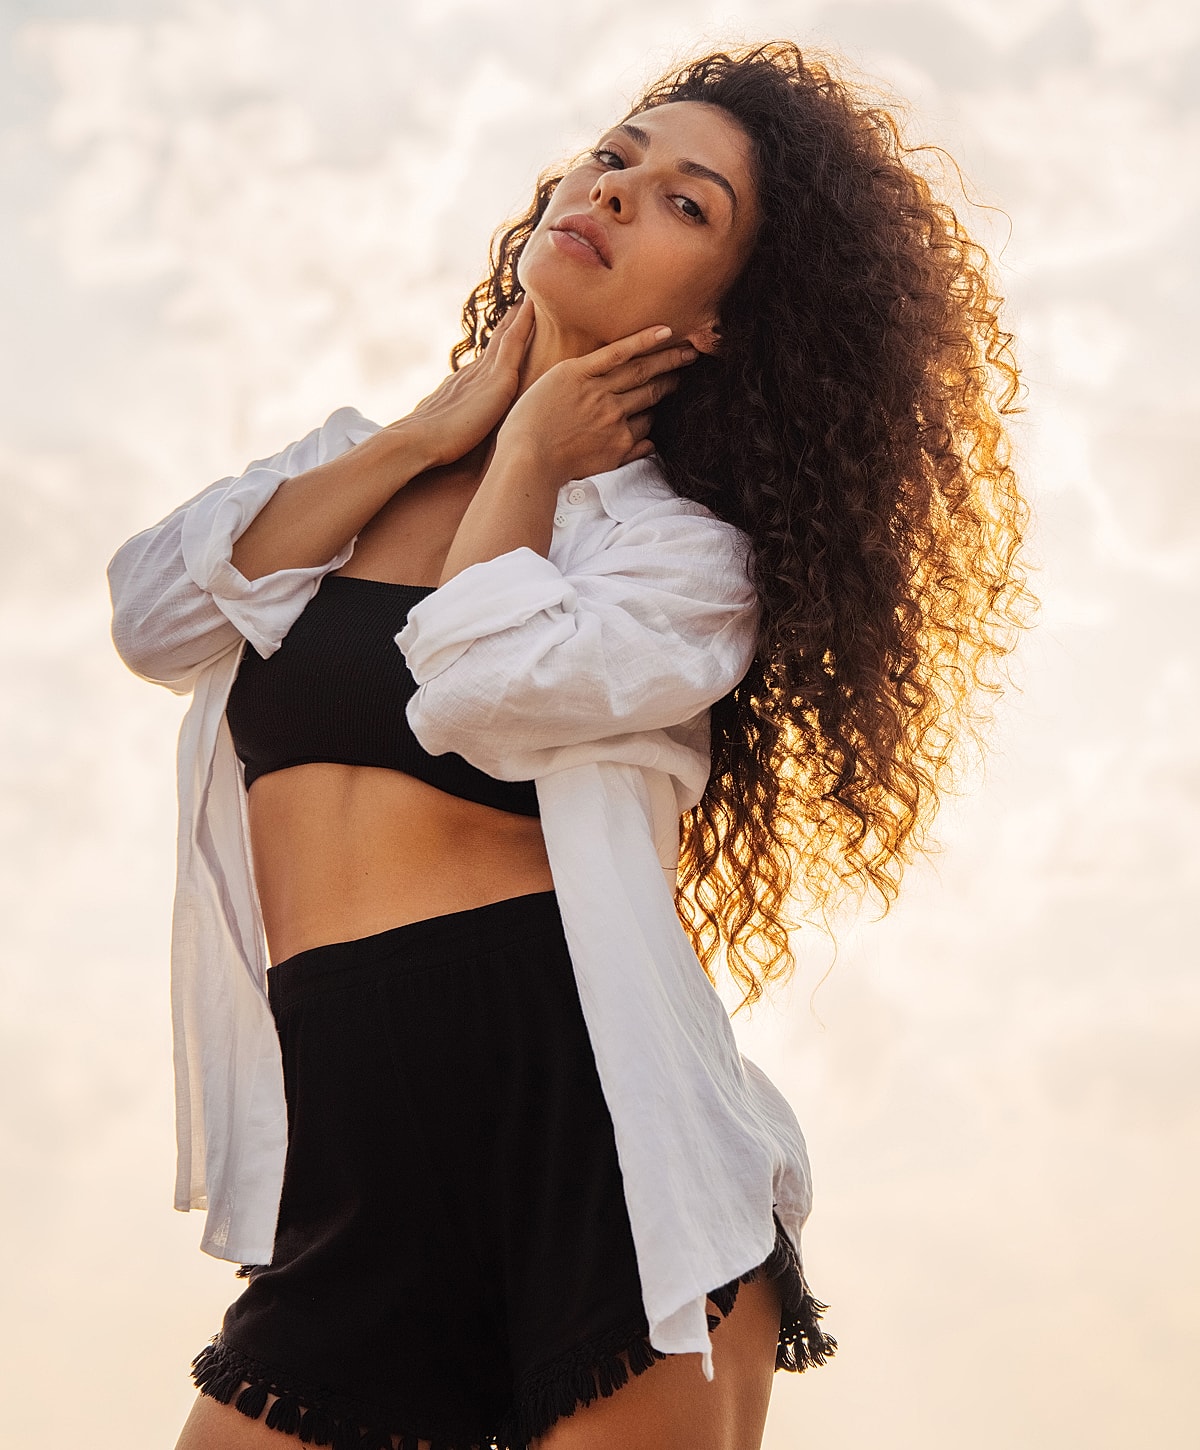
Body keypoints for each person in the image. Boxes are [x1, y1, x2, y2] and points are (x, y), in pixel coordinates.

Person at [107, 40, 1032, 1450]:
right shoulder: (348, 464)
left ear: (722, 318)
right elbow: (155, 613)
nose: (615, 191)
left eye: (686, 203)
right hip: (357, 1172)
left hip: (597, 1156)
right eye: (616, 156)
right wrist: (434, 432)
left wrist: (534, 456)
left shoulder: (680, 556)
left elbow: (473, 690)